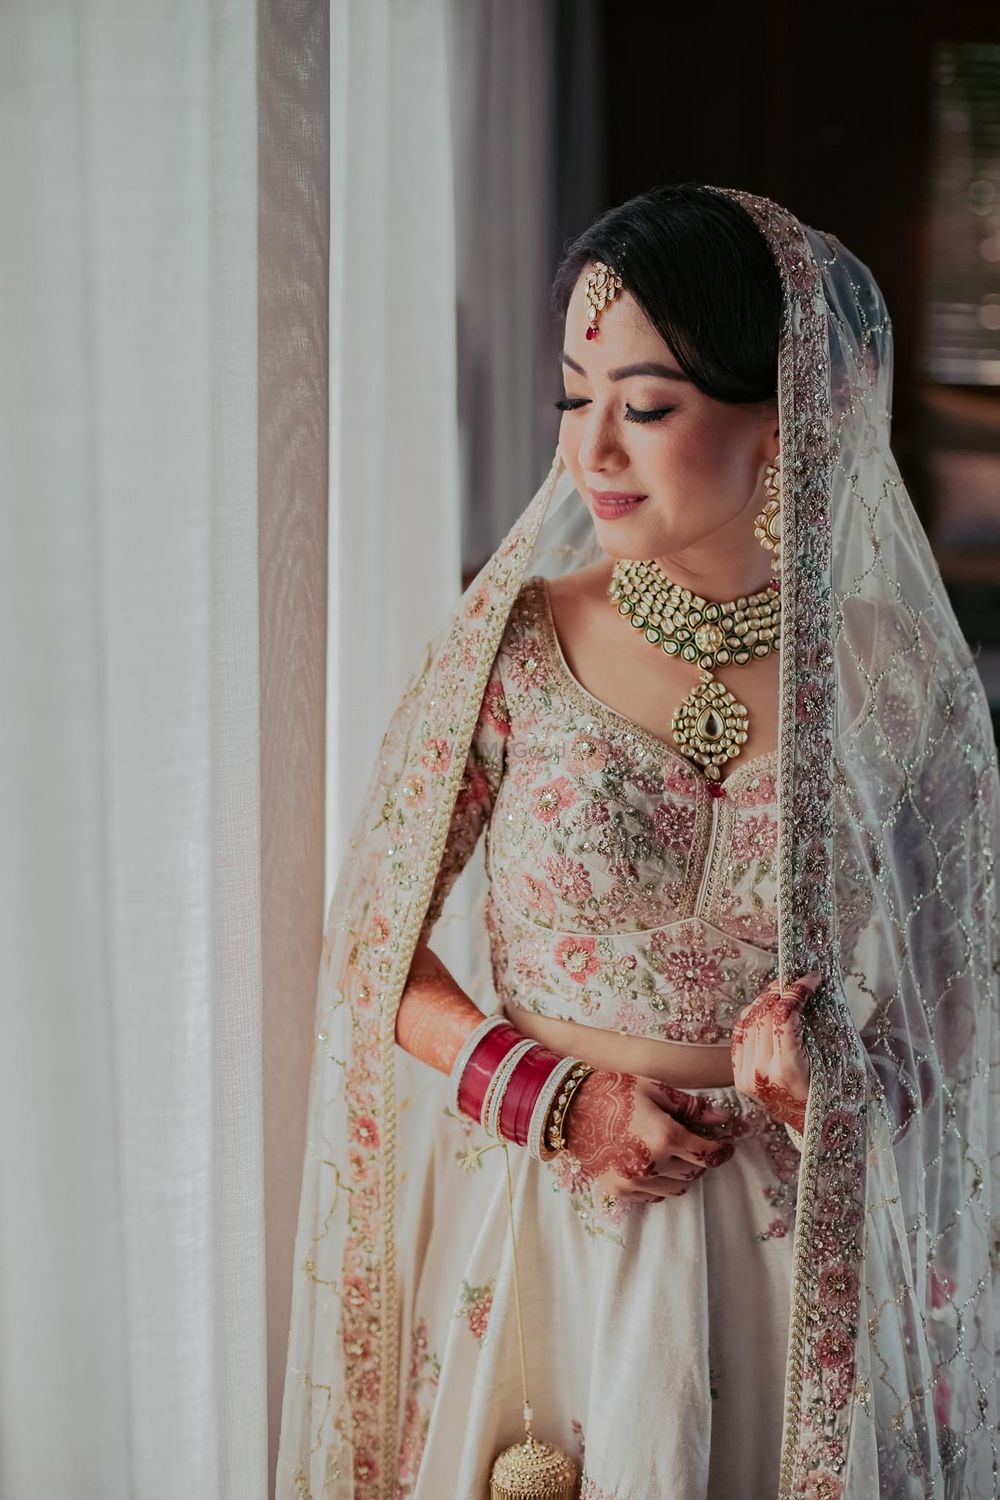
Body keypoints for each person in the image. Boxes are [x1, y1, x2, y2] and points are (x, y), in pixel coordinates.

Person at [276, 185, 1000, 1500]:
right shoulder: (517, 638)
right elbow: (372, 948)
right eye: (575, 396)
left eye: (648, 405)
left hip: (792, 1252)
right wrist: (556, 1104)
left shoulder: (889, 680)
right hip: (552, 1229)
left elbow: (961, 1010)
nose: (593, 449)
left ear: (779, 414)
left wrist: (831, 1084)